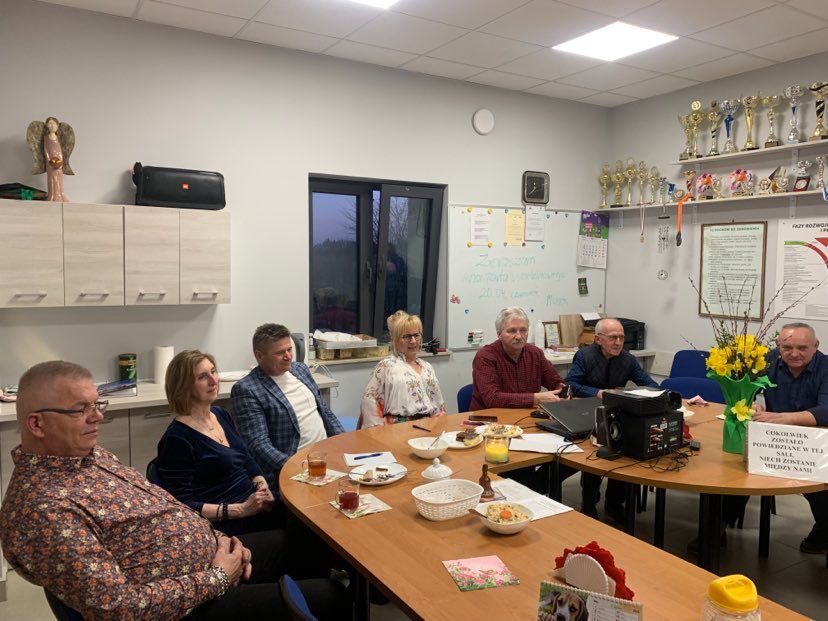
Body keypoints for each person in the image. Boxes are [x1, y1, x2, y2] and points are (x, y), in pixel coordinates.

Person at [0, 360, 347, 621]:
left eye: (97, 405)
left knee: (311, 542)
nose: (97, 418)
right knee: (331, 595)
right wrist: (217, 577)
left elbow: (166, 504)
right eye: (81, 410)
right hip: (189, 604)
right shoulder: (42, 510)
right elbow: (118, 608)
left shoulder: (91, 456)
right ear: (37, 423)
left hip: (213, 554)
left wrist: (219, 539)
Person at [722, 322, 828, 553]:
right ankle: (716, 528)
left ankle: (823, 532)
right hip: (773, 438)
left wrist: (781, 418)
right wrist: (753, 404)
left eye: (802, 348)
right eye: (787, 347)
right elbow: (744, 388)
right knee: (739, 475)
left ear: (816, 346)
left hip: (816, 442)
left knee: (821, 487)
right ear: (778, 345)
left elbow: (826, 410)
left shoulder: (825, 367)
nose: (794, 354)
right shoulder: (768, 360)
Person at [155, 350, 281, 536]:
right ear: (183, 387)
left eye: (213, 372)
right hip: (227, 528)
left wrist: (261, 486)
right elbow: (181, 505)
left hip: (255, 509)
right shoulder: (177, 438)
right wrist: (241, 509)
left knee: (308, 519)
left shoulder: (220, 414)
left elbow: (246, 460)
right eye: (202, 377)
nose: (213, 380)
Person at [566, 318, 659, 522]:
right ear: (598, 339)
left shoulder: (627, 359)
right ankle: (589, 504)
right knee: (594, 457)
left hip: (617, 414)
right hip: (588, 412)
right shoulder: (584, 356)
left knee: (626, 451)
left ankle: (615, 503)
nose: (618, 343)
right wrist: (598, 392)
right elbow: (571, 384)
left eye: (621, 338)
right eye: (612, 338)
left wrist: (638, 394)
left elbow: (650, 384)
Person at [231, 323, 344, 491]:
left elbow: (325, 411)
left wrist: (343, 443)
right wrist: (296, 466)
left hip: (325, 457)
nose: (288, 356)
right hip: (292, 467)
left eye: (289, 349)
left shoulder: (300, 370)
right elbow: (258, 444)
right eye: (280, 353)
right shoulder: (247, 389)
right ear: (259, 356)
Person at [360, 310, 446, 427]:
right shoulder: (387, 366)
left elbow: (439, 404)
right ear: (395, 340)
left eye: (416, 335)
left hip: (429, 426)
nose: (413, 341)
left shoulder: (427, 367)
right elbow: (369, 401)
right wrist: (379, 431)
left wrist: (440, 422)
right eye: (407, 337)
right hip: (398, 429)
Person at [469, 306, 565, 410]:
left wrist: (563, 392)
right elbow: (492, 398)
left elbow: (556, 382)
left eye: (523, 330)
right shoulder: (485, 357)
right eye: (512, 331)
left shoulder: (535, 354)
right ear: (499, 334)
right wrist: (535, 399)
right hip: (488, 417)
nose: (519, 336)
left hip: (526, 415)